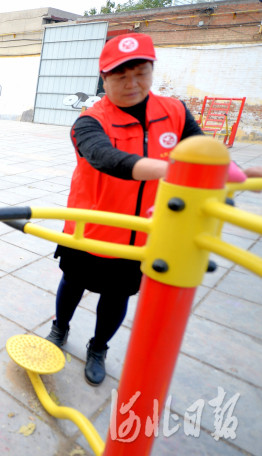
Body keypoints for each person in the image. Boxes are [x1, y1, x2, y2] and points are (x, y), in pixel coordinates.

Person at [44, 33, 207, 386]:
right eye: (120, 76)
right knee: (73, 283)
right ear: (104, 78)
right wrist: (176, 171)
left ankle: (99, 347)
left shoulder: (175, 112)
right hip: (90, 226)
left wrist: (223, 170)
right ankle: (59, 329)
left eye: (141, 73)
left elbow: (203, 152)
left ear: (151, 71)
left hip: (141, 233)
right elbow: (105, 158)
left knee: (117, 296)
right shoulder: (90, 120)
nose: (132, 84)